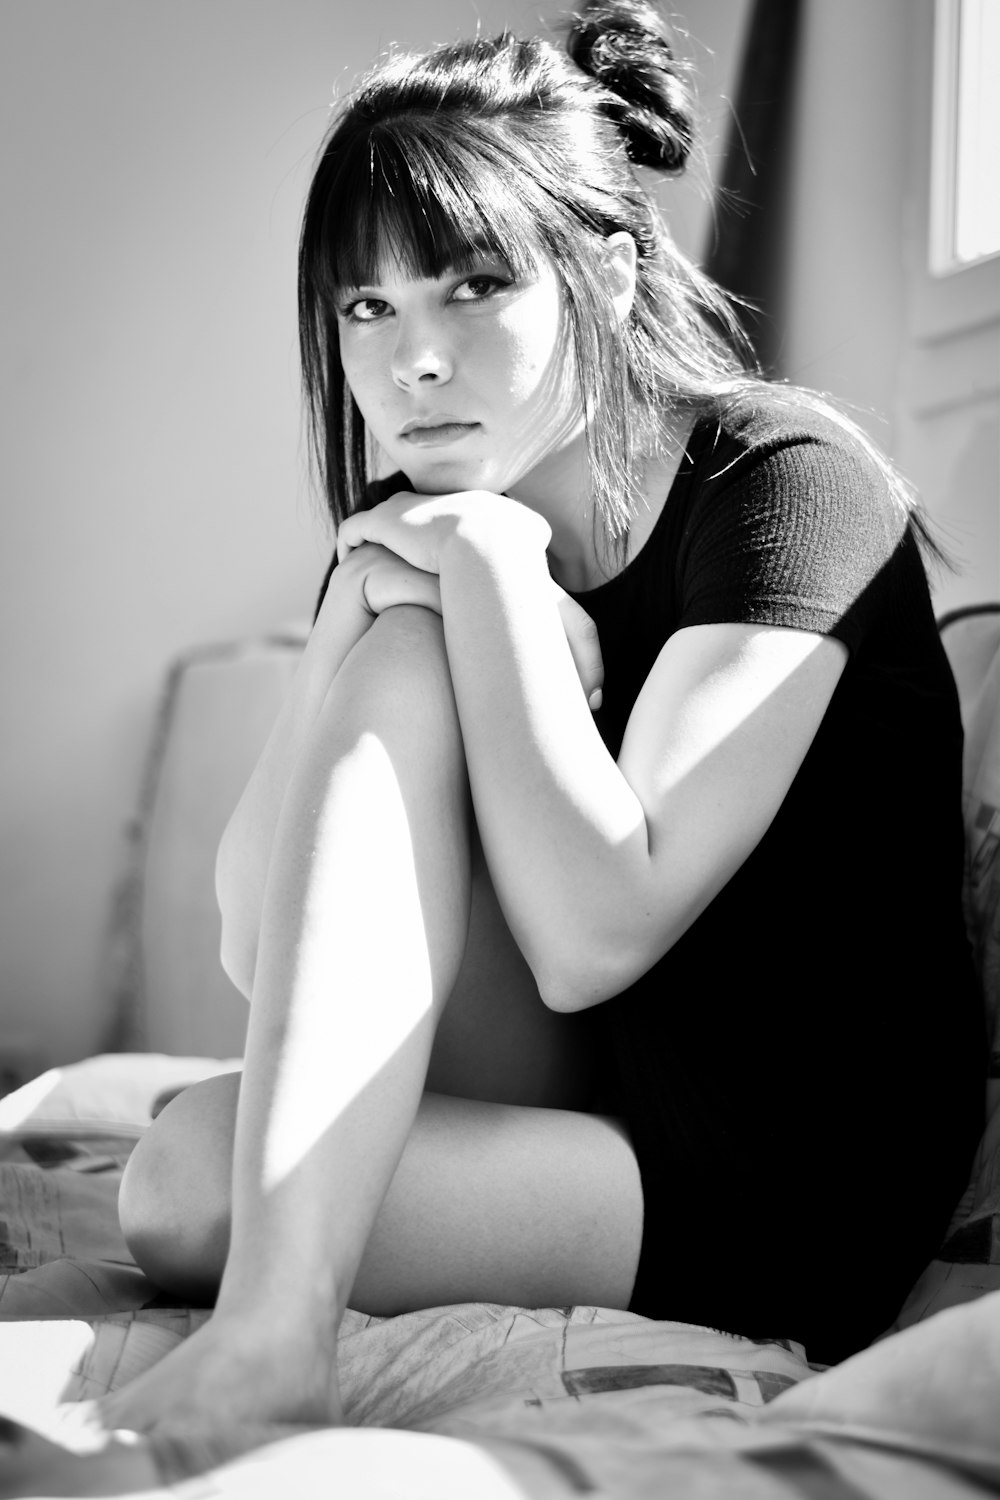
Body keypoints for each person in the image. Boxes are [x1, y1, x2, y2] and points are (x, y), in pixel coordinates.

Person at [62, 0, 985, 1477]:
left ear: (608, 275)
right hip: (598, 1092)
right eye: (367, 310)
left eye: (471, 287)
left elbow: (588, 937)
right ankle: (270, 1317)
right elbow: (256, 940)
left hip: (788, 1166)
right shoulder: (421, 533)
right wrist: (348, 630)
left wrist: (491, 579)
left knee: (204, 1182)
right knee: (176, 1177)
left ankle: (273, 1341)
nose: (410, 362)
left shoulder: (788, 489)